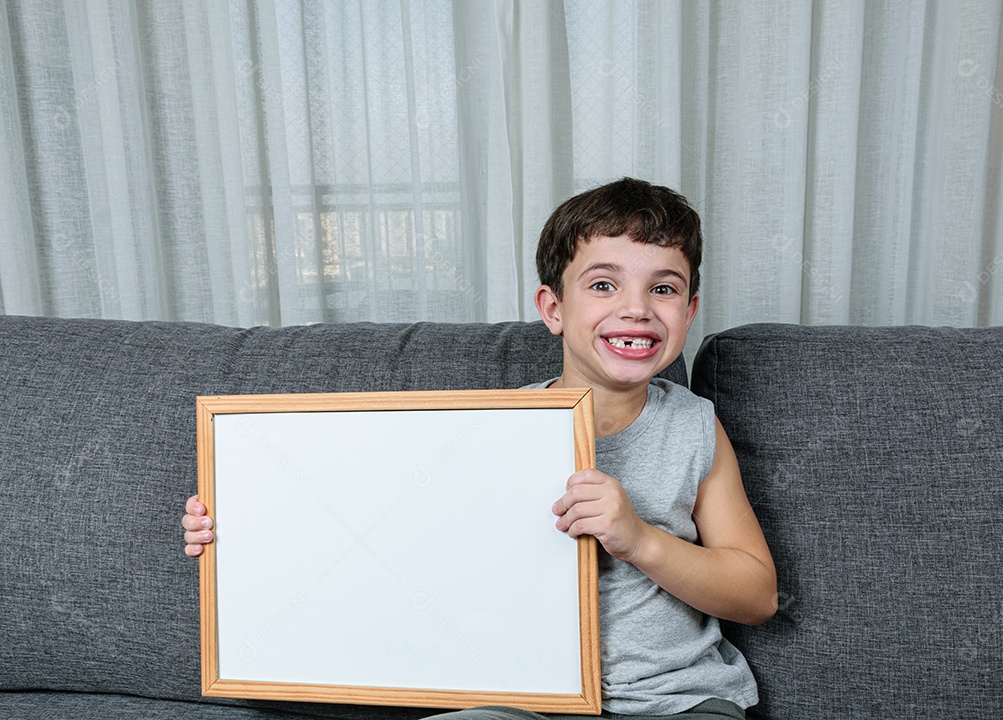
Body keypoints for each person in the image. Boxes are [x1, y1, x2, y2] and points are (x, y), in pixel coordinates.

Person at [182, 178, 777, 720]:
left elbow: (756, 596)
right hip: (523, 698)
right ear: (553, 309)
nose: (636, 308)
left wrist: (640, 540)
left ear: (689, 312)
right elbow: (379, 538)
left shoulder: (694, 427)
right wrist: (244, 532)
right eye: (603, 284)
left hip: (676, 701)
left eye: (663, 288)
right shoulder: (489, 430)